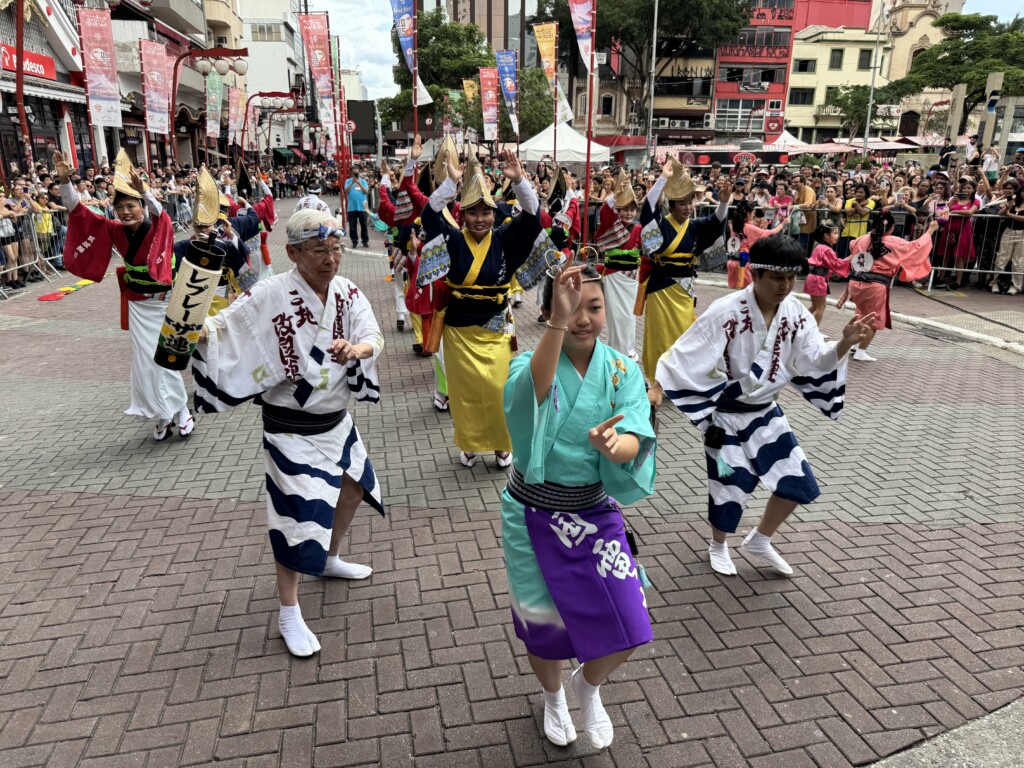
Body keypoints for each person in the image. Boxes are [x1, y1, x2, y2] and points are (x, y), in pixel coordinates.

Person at [193, 208, 384, 657]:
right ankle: (288, 610)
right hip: (289, 427)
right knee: (296, 516)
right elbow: (226, 326)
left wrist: (357, 349)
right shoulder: (271, 292)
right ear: (293, 252)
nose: (330, 258)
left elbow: (372, 332)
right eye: (319, 250)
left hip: (336, 421)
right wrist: (194, 330)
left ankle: (330, 558)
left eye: (335, 248)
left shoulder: (348, 292)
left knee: (353, 490)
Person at [502, 258, 655, 750]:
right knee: (542, 625)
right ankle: (552, 699)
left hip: (591, 513)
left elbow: (636, 426)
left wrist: (619, 447)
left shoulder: (621, 369)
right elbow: (534, 393)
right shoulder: (529, 360)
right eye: (571, 307)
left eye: (594, 306)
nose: (583, 318)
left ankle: (586, 687)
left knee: (631, 622)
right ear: (549, 309)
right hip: (532, 513)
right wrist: (555, 319)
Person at [657, 235, 876, 576]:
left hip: (765, 413)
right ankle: (718, 544)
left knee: (797, 482)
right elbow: (684, 356)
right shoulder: (726, 311)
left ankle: (760, 539)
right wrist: (659, 389)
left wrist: (844, 343)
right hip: (726, 417)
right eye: (776, 277)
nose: (785, 286)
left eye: (791, 278)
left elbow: (816, 357)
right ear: (754, 274)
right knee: (731, 484)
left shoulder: (795, 312)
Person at [420, 150, 555, 469]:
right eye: (472, 212)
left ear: (495, 213)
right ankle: (469, 444)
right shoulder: (452, 239)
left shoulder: (505, 238)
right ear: (462, 214)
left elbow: (533, 216)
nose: (480, 218)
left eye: (486, 212)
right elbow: (428, 216)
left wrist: (520, 181)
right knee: (465, 397)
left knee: (499, 392)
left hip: (496, 328)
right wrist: (450, 183)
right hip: (459, 331)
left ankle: (501, 444)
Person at [54, 149, 193, 441]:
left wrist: (145, 189)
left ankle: (182, 411)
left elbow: (160, 212)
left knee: (164, 359)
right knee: (144, 363)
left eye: (131, 206)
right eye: (121, 209)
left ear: (142, 207)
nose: (126, 212)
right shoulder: (114, 229)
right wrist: (65, 180)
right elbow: (77, 211)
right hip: (139, 305)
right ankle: (163, 413)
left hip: (165, 302)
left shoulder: (157, 225)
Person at [638, 157, 731, 402]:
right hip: (661, 289)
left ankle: (681, 380)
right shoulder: (660, 225)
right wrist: (662, 179)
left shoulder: (694, 226)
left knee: (685, 336)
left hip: (685, 290)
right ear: (672, 205)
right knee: (660, 336)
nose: (688, 207)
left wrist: (722, 203)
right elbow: (648, 209)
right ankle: (658, 381)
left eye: (690, 202)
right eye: (682, 203)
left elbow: (716, 223)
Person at [838, 209, 938, 361]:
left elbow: (853, 247)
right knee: (873, 319)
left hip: (856, 283)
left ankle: (855, 344)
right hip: (875, 285)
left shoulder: (862, 239)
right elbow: (917, 247)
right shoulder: (896, 242)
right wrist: (930, 230)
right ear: (891, 228)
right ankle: (861, 351)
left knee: (861, 314)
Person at [594, 169, 642, 359]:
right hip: (614, 276)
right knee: (616, 318)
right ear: (619, 210)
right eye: (625, 209)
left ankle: (628, 351)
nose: (629, 213)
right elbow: (605, 211)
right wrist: (616, 194)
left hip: (632, 278)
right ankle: (617, 352)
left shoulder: (639, 228)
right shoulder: (612, 223)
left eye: (632, 209)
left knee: (630, 318)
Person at [727, 201, 789, 289]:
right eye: (753, 213)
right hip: (742, 262)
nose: (753, 215)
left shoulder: (735, 226)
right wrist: (783, 223)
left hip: (732, 261)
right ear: (748, 213)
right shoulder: (749, 227)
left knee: (740, 292)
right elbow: (771, 232)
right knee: (747, 291)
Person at [933, 178, 979, 290]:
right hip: (950, 228)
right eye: (964, 187)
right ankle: (941, 278)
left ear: (973, 190)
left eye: (969, 188)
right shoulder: (953, 199)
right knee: (946, 255)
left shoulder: (975, 201)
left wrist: (954, 212)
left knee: (960, 256)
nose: (966, 190)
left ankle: (958, 281)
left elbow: (969, 212)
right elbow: (944, 211)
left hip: (963, 229)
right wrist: (952, 202)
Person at [804, 223, 850, 326]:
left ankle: (799, 323)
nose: (837, 236)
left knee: (815, 306)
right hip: (818, 279)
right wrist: (850, 258)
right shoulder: (827, 249)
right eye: (835, 233)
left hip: (813, 277)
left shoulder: (819, 247)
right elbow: (837, 264)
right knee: (821, 307)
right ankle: (813, 332)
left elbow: (829, 265)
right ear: (826, 235)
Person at [990, 179, 1024, 295]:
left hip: (1022, 234)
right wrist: (1008, 208)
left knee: (1018, 262)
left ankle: (1016, 286)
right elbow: (999, 214)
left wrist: (1009, 214)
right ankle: (994, 283)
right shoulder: (1014, 202)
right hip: (1008, 232)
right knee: (1001, 259)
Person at [838, 183, 875, 260]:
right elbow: (848, 212)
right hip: (847, 233)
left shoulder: (871, 202)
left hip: (861, 234)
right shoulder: (849, 201)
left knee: (857, 258)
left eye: (861, 192)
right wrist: (860, 204)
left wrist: (856, 204)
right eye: (857, 192)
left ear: (866, 194)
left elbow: (863, 213)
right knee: (844, 256)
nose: (858, 194)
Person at [345, 168, 370, 248]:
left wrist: (359, 184)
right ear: (351, 174)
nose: (356, 175)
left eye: (357, 173)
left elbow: (366, 191)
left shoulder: (363, 181)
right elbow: (346, 190)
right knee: (352, 226)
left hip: (362, 207)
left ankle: (365, 241)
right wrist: (352, 183)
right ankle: (354, 241)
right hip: (352, 207)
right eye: (354, 173)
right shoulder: (348, 181)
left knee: (364, 225)